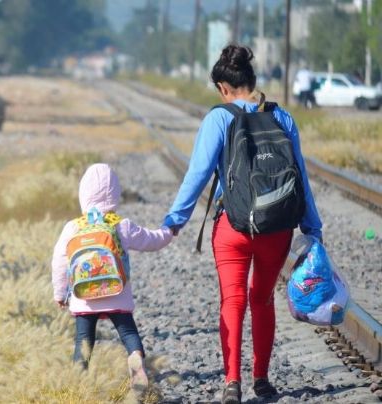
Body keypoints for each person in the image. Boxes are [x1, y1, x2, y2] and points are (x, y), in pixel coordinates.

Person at [162, 45, 323, 404]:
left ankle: (232, 382)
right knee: (262, 300)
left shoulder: (219, 118)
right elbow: (301, 178)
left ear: (223, 87)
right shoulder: (283, 118)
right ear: (252, 81)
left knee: (232, 301)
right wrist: (312, 226)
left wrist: (175, 221)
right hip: (277, 228)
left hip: (233, 228)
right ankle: (262, 379)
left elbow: (198, 174)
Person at [51, 163, 173, 394]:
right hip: (117, 294)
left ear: (83, 194)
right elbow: (152, 240)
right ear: (115, 194)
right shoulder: (121, 225)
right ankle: (136, 358)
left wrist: (59, 294)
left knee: (83, 340)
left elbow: (58, 262)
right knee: (128, 333)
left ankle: (78, 382)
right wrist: (169, 231)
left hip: (83, 297)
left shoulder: (73, 227)